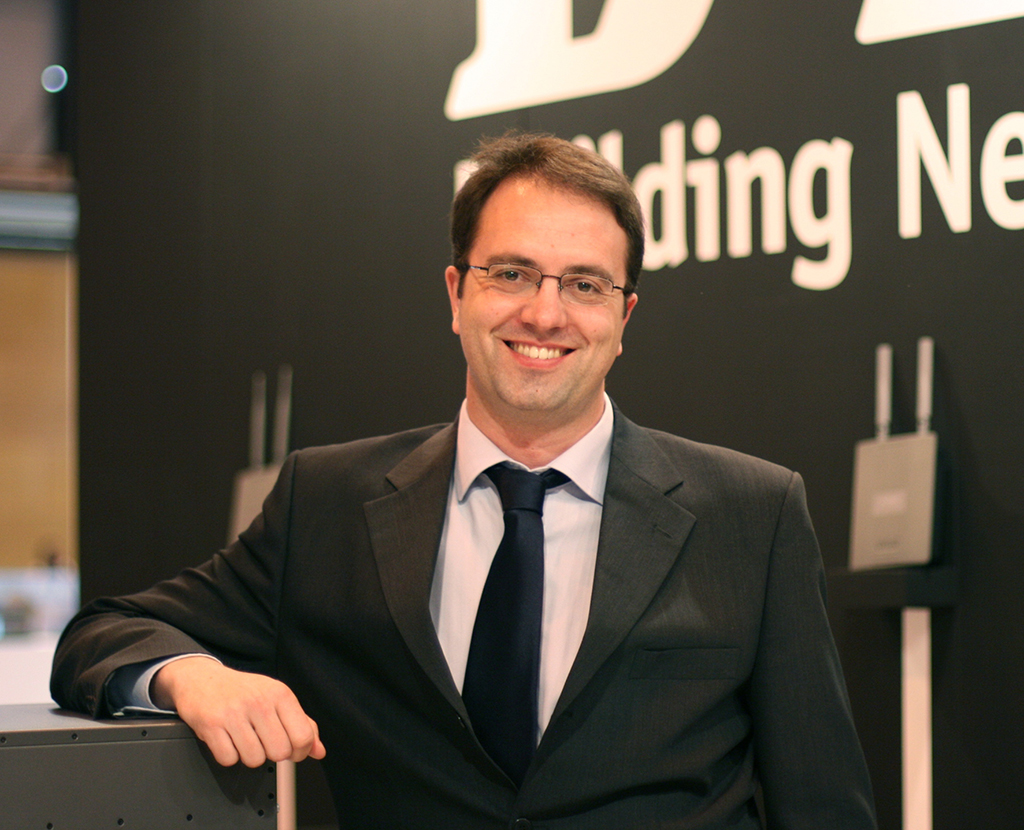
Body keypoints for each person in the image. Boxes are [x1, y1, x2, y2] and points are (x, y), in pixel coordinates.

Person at [52, 132, 876, 829]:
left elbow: (823, 806)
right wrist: (189, 675)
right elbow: (102, 634)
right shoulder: (328, 504)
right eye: (510, 273)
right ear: (456, 293)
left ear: (623, 318)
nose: (544, 313)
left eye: (584, 285)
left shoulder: (752, 515)